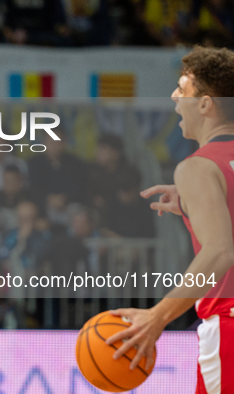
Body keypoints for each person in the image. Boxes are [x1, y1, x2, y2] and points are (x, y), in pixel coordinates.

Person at [107, 47, 234, 394]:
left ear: (205, 104)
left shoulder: (198, 165)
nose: (174, 96)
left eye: (183, 88)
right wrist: (199, 202)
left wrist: (157, 316)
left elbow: (222, 251)